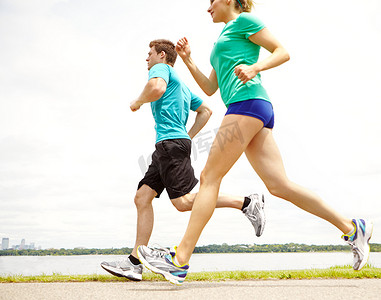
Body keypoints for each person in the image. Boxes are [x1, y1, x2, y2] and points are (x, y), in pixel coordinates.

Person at [136, 0, 373, 285]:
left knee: (210, 176)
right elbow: (211, 88)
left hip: (246, 103)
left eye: (211, 1)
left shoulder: (245, 21)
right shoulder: (221, 39)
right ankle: (352, 228)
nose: (207, 7)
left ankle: (180, 259)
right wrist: (188, 60)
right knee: (279, 185)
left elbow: (282, 52)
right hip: (252, 107)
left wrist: (255, 67)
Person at [100, 39, 266, 281]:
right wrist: (187, 136)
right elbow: (206, 111)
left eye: (150, 54)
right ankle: (135, 262)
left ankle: (247, 202)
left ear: (162, 56)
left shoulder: (163, 70)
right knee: (142, 197)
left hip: (169, 145)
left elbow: (155, 88)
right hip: (167, 146)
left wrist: (137, 102)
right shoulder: (182, 86)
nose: (147, 59)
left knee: (184, 202)